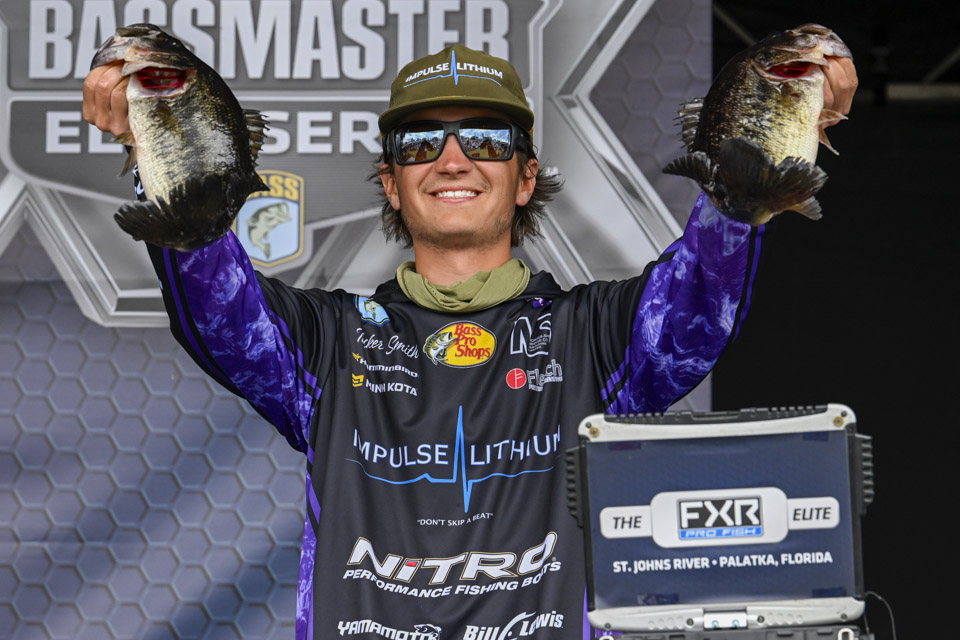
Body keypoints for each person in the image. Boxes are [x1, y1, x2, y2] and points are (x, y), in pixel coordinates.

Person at [83, 42, 857, 639]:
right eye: (420, 144)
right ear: (391, 183)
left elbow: (699, 307)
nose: (452, 160)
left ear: (526, 177)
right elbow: (218, 310)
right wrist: (163, 140)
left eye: (486, 140)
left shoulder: (598, 335)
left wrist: (763, 151)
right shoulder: (326, 343)